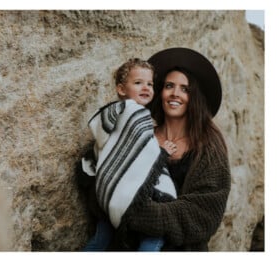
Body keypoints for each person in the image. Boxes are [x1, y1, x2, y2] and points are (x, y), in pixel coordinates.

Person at [122, 47, 230, 251]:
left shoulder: (208, 147)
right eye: (169, 86)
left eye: (184, 89)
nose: (174, 94)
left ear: (194, 97)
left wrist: (143, 214)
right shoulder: (143, 136)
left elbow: (204, 211)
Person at [80, 58, 177, 251]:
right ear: (122, 90)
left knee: (100, 240)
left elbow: (117, 152)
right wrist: (163, 152)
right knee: (154, 236)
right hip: (131, 197)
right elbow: (144, 156)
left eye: (150, 84)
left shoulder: (113, 113)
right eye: (138, 83)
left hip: (108, 194)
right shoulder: (135, 113)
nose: (146, 87)